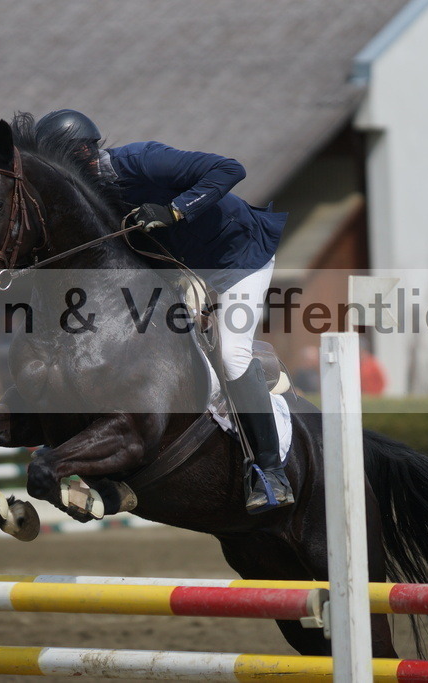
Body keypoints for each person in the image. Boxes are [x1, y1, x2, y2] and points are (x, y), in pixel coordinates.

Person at [35, 109, 290, 512]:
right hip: (182, 270)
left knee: (231, 354)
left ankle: (270, 471)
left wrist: (175, 210)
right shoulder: (90, 198)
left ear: (83, 153)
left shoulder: (141, 161)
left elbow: (230, 169)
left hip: (239, 260)